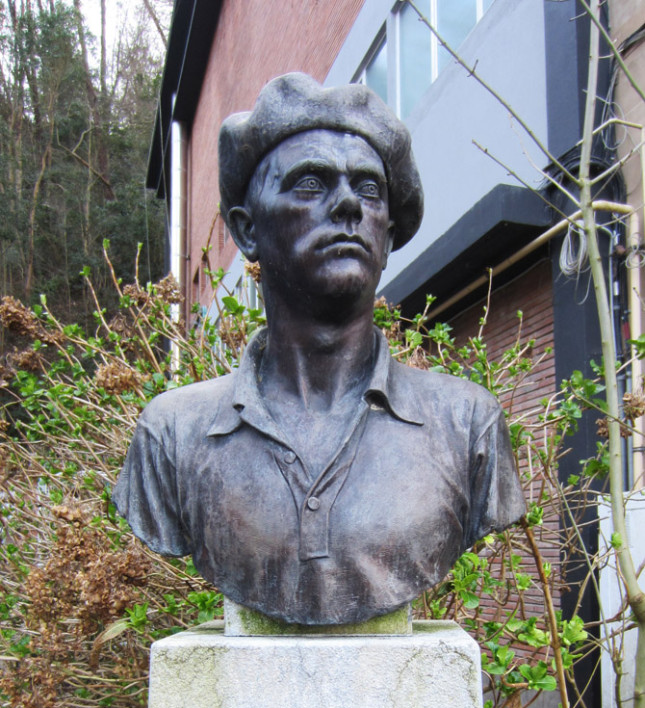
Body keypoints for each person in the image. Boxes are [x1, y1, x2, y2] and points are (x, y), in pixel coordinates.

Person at [113, 73, 525, 626]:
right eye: (310, 184)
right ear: (246, 230)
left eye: (370, 189)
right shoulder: (171, 434)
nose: (349, 205)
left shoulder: (467, 425)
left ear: (387, 232)